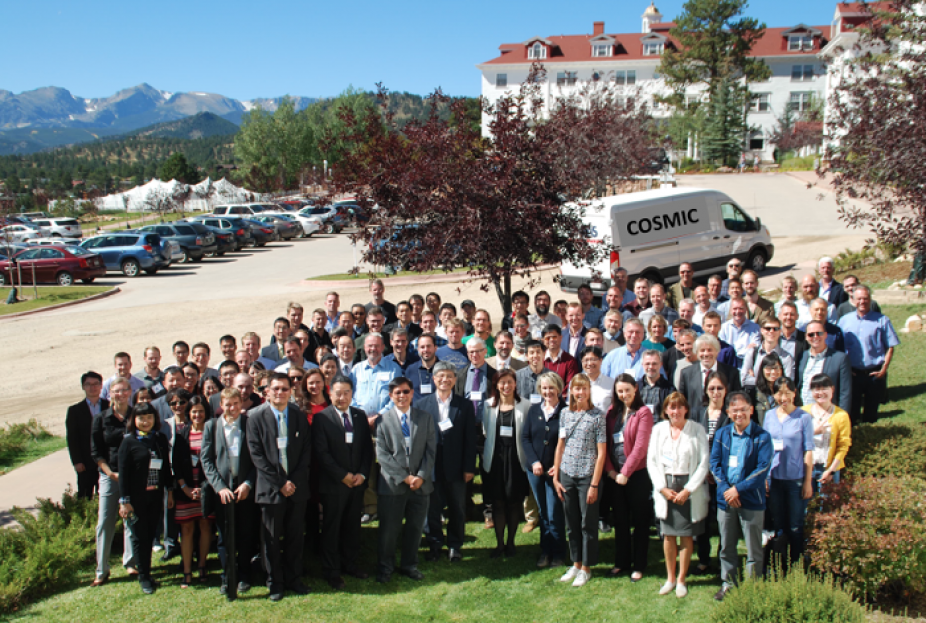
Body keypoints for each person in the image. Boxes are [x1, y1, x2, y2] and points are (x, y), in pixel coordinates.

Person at [247, 372, 312, 601]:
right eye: (275, 389)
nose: (280, 393)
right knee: (271, 539)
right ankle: (274, 582)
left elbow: (306, 450)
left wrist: (292, 481)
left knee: (295, 536)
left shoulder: (298, 415)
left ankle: (294, 579)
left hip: (296, 488)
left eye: (285, 389)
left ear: (290, 391)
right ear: (267, 391)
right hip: (271, 489)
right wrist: (280, 483)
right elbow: (257, 456)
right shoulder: (254, 417)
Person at [710, 391, 773, 602]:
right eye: (735, 410)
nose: (739, 414)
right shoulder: (722, 434)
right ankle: (728, 583)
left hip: (752, 500)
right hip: (725, 500)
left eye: (743, 410)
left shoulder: (762, 437)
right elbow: (715, 465)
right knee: (727, 545)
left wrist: (739, 490)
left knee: (753, 548)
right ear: (728, 412)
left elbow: (762, 469)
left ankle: (752, 587)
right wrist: (728, 490)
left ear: (751, 410)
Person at [312, 376, 374, 589]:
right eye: (338, 393)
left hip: (357, 484)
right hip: (334, 485)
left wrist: (362, 475)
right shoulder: (322, 418)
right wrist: (342, 475)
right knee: (332, 528)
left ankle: (350, 564)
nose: (342, 397)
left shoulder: (359, 416)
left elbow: (367, 449)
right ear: (330, 394)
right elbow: (321, 453)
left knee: (352, 526)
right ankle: (332, 570)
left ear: (352, 393)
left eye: (346, 392)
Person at [647, 392, 710, 598]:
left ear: (686, 409)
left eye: (679, 407)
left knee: (685, 534)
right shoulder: (658, 430)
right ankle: (670, 578)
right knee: (669, 534)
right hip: (666, 487)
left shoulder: (697, 430)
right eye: (671, 408)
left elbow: (703, 464)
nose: (675, 411)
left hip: (688, 487)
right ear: (665, 410)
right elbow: (652, 462)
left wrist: (688, 490)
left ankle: (682, 579)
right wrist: (661, 488)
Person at [375, 378, 437, 583]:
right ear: (391, 396)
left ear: (412, 393)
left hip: (420, 485)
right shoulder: (382, 420)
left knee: (415, 528)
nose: (402, 396)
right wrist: (404, 477)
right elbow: (382, 455)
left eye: (405, 392)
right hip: (393, 485)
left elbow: (431, 451)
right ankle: (385, 567)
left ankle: (410, 564)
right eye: (397, 393)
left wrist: (420, 476)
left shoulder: (425, 418)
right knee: (389, 530)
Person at [201, 388, 257, 599]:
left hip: (244, 490)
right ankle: (227, 576)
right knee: (224, 537)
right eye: (228, 404)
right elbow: (206, 460)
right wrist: (219, 487)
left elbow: (256, 458)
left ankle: (244, 575)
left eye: (235, 404)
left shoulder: (249, 424)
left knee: (245, 534)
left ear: (241, 404)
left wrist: (248, 484)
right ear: (221, 405)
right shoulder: (211, 426)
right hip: (222, 492)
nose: (232, 408)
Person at [418, 362, 477, 562]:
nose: (445, 380)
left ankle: (454, 545)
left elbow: (471, 438)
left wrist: (469, 467)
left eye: (449, 376)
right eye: (441, 376)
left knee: (457, 508)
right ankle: (434, 544)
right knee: (432, 508)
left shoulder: (465, 405)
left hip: (457, 466)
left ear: (455, 379)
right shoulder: (421, 405)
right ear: (434, 379)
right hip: (431, 467)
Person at [553, 374, 607, 588]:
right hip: (567, 474)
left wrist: (594, 484)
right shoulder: (565, 414)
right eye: (577, 389)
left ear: (589, 391)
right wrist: (556, 476)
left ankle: (586, 567)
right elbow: (560, 445)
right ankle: (575, 563)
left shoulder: (597, 416)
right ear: (571, 392)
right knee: (571, 522)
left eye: (584, 389)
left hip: (587, 476)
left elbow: (601, 453)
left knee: (588, 523)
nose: (580, 393)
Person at [118, 402, 174, 595]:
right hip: (136, 498)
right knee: (139, 537)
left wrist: (170, 491)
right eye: (141, 418)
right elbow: (123, 473)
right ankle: (144, 576)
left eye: (149, 417)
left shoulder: (159, 438)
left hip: (155, 495)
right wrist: (124, 501)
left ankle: (148, 572)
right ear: (134, 420)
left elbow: (166, 467)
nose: (145, 421)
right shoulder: (128, 441)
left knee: (151, 535)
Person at [604, 374, 653, 582]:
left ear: (635, 389)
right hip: (615, 476)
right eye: (620, 391)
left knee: (641, 522)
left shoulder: (643, 413)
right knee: (620, 520)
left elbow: (640, 447)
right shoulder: (611, 413)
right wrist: (611, 471)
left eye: (627, 390)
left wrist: (626, 473)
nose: (624, 395)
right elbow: (604, 444)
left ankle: (639, 565)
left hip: (637, 476)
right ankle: (621, 562)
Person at [762, 377, 814, 568]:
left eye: (787, 392)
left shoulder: (804, 417)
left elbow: (809, 450)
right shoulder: (769, 416)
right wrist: (764, 477)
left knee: (795, 525)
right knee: (779, 524)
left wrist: (808, 481)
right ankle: (780, 564)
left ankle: (797, 565)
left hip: (795, 479)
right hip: (775, 479)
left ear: (794, 392)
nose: (783, 397)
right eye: (778, 393)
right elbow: (765, 448)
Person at [90, 377, 137, 586]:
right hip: (110, 475)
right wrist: (109, 473)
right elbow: (96, 451)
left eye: (124, 390)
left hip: (133, 474)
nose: (120, 394)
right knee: (105, 522)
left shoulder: (136, 415)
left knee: (132, 519)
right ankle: (102, 569)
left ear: (129, 392)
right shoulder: (101, 419)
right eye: (115, 391)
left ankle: (131, 563)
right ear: (110, 394)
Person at [482, 370, 531, 557]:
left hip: (516, 460)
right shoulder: (488, 406)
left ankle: (511, 543)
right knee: (498, 502)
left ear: (515, 384)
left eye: (510, 382)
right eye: (502, 382)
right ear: (496, 385)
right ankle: (499, 544)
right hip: (495, 460)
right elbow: (486, 431)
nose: (506, 386)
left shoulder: (525, 405)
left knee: (513, 502)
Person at [521, 372, 567, 568]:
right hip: (536, 471)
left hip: (556, 472)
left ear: (559, 388)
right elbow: (525, 438)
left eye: (551, 387)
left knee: (554, 512)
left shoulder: (566, 411)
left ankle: (558, 553)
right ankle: (545, 551)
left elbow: (569, 442)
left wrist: (558, 466)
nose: (548, 391)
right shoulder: (533, 410)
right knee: (542, 511)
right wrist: (534, 462)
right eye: (544, 388)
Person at [838, 285, 900, 424]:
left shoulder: (882, 320)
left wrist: (884, 369)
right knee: (851, 414)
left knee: (871, 414)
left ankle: (871, 436)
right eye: (859, 298)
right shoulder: (844, 321)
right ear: (853, 300)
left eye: (865, 298)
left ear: (870, 299)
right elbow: (839, 347)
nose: (862, 302)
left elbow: (890, 347)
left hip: (874, 373)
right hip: (853, 373)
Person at [690, 370, 731, 574]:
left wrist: (716, 472)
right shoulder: (698, 413)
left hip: (723, 478)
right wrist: (703, 469)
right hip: (701, 476)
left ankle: (724, 559)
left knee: (724, 522)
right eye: (712, 388)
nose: (716, 392)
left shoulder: (731, 415)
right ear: (706, 390)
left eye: (719, 388)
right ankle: (704, 559)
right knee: (702, 521)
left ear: (726, 390)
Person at [172, 395, 215, 588]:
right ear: (189, 413)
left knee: (206, 527)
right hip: (186, 490)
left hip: (207, 488)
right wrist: (185, 488)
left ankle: (203, 565)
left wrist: (204, 488)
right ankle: (187, 571)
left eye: (201, 411)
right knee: (187, 529)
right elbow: (176, 464)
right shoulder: (182, 434)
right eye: (194, 411)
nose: (198, 415)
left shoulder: (213, 431)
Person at [808, 374, 852, 494]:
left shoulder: (841, 415)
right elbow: (794, 437)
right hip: (806, 468)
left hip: (828, 468)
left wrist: (831, 471)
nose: (820, 393)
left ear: (832, 389)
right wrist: (814, 432)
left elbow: (843, 445)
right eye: (816, 389)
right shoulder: (803, 412)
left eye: (824, 388)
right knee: (805, 507)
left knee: (827, 506)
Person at [67, 371, 108, 500]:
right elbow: (72, 438)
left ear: (101, 385)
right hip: (85, 461)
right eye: (88, 384)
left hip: (107, 459)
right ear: (83, 387)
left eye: (96, 384)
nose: (92, 387)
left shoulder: (110, 406)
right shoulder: (75, 410)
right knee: (85, 496)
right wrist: (77, 461)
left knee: (106, 495)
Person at [796, 321, 853, 412]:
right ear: (806, 337)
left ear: (826, 335)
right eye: (811, 335)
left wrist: (842, 417)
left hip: (827, 414)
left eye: (819, 333)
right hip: (803, 412)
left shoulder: (840, 358)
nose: (815, 337)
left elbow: (845, 392)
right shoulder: (802, 356)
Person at [677, 334, 742, 412]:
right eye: (702, 350)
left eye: (710, 350)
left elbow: (736, 399)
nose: (706, 354)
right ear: (696, 353)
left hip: (724, 420)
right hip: (695, 420)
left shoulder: (731, 373)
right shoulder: (686, 373)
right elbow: (682, 401)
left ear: (717, 351)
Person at [741, 316, 794, 387]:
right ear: (762, 331)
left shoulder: (786, 357)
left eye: (775, 329)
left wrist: (755, 379)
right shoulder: (752, 353)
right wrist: (774, 380)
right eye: (768, 328)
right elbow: (743, 380)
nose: (771, 331)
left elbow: (787, 384)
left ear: (780, 332)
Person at [718, 298, 761, 368]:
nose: (737, 311)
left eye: (741, 308)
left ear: (746, 309)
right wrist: (746, 349)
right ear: (730, 310)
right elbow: (723, 350)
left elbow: (755, 349)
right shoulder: (723, 328)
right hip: (728, 366)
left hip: (748, 366)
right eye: (735, 309)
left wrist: (732, 352)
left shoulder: (755, 328)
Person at [639, 350, 672, 422]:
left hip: (660, 430)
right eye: (647, 364)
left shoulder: (669, 389)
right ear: (642, 365)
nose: (651, 367)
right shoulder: (635, 387)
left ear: (661, 364)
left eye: (654, 364)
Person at [406, 333, 440, 401]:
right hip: (416, 411)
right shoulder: (411, 370)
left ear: (435, 348)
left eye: (428, 346)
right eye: (422, 347)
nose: (426, 350)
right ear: (418, 349)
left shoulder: (443, 369)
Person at [581, 346, 614, 414]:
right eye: (586, 360)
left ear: (601, 360)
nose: (589, 363)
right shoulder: (576, 383)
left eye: (593, 359)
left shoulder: (611, 383)